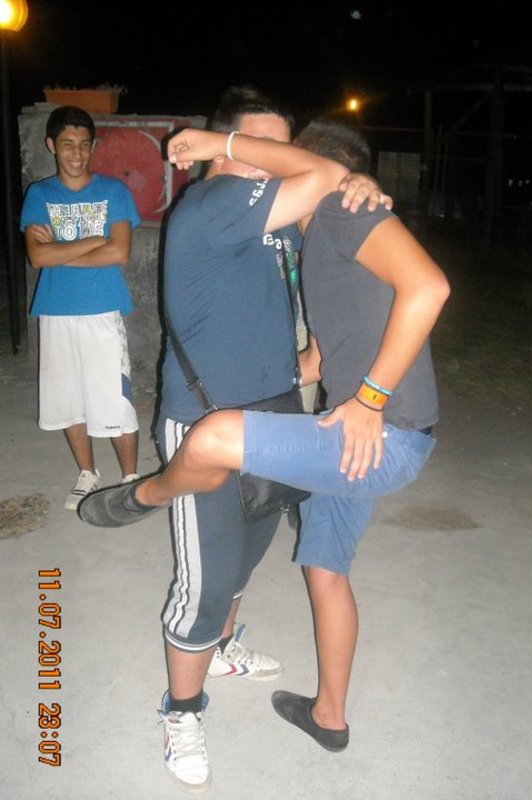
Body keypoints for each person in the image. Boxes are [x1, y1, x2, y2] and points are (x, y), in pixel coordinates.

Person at [79, 118, 450, 762]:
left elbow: (430, 286)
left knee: (214, 439)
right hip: (354, 431)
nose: (266, 168)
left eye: (277, 155)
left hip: (376, 432)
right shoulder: (303, 232)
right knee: (324, 570)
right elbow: (320, 356)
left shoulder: (338, 213)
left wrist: (370, 399)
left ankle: (148, 494)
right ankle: (328, 717)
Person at [20, 105, 141, 510]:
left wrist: (59, 250)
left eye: (84, 144)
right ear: (51, 145)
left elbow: (119, 252)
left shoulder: (113, 191)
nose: (76, 153)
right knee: (68, 399)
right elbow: (37, 257)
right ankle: (88, 474)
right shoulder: (39, 194)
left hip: (102, 310)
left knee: (115, 400)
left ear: (93, 147)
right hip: (56, 311)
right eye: (68, 144)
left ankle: (130, 480)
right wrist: (93, 241)